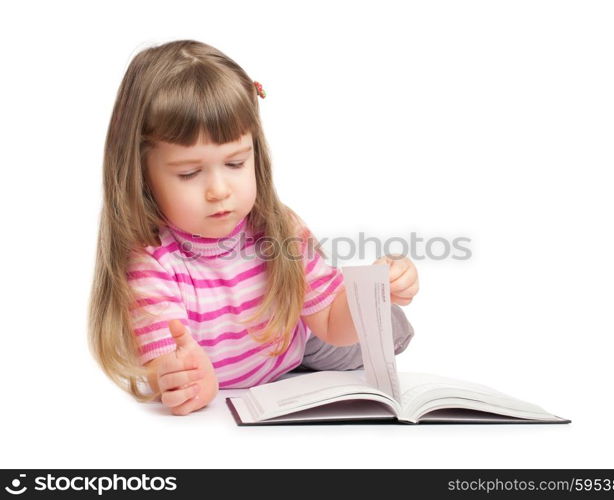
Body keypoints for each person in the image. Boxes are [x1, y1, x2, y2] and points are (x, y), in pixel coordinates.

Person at [87, 39, 419, 416]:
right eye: (190, 173)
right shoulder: (151, 264)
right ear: (142, 176)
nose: (219, 190)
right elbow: (171, 369)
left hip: (297, 343)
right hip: (257, 361)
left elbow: (329, 322)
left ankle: (389, 320)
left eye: (235, 163)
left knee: (380, 333)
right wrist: (191, 382)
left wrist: (375, 291)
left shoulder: (278, 228)